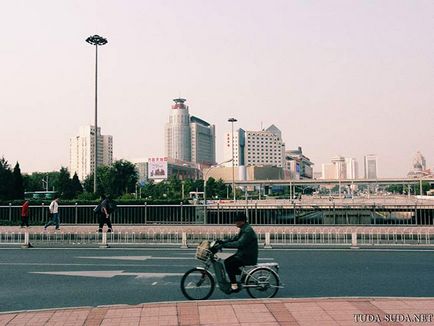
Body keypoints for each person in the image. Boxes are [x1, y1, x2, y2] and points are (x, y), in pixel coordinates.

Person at [218, 211, 258, 292]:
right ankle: (245, 276)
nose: (235, 222)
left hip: (247, 256)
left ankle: (234, 285)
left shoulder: (247, 231)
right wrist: (223, 241)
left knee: (228, 263)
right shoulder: (244, 228)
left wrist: (224, 245)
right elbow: (235, 238)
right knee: (230, 263)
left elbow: (239, 243)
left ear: (242, 221)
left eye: (237, 221)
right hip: (243, 254)